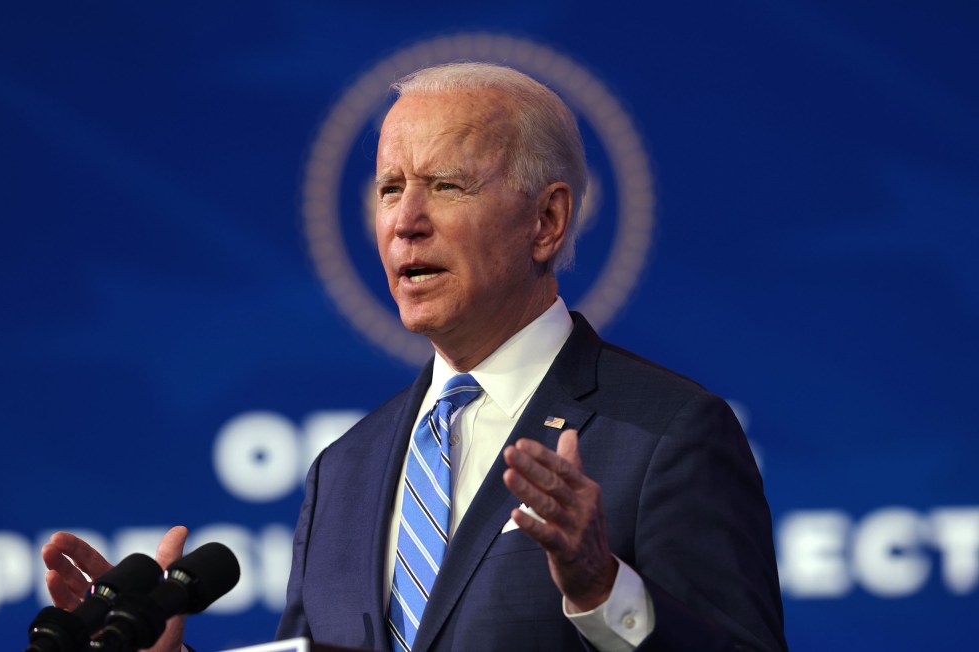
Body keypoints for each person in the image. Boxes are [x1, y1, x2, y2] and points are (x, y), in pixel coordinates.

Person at [43, 62, 787, 651]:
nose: (405, 221)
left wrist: (602, 589)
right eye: (390, 188)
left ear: (547, 221)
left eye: (445, 185)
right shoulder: (344, 469)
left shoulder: (668, 434)